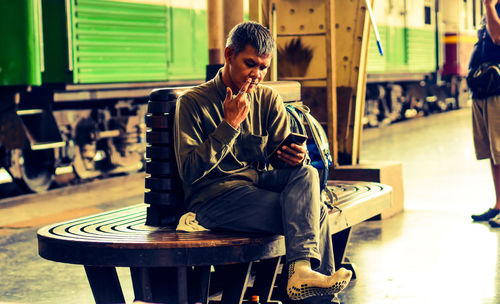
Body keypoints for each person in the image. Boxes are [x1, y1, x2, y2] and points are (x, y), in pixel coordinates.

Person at [173, 21, 352, 301]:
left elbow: (283, 161)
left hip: (256, 187)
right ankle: (311, 285)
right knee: (311, 212)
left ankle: (302, 271)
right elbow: (189, 172)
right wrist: (229, 125)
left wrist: (294, 157)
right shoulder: (193, 103)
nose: (256, 74)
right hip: (213, 200)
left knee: (306, 174)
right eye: (250, 64)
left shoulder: (267, 98)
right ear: (229, 55)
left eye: (263, 67)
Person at [470, 0, 500, 228]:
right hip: (484, 88)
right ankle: (499, 204)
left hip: (498, 90)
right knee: (493, 151)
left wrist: (489, 6)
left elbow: (498, 36)